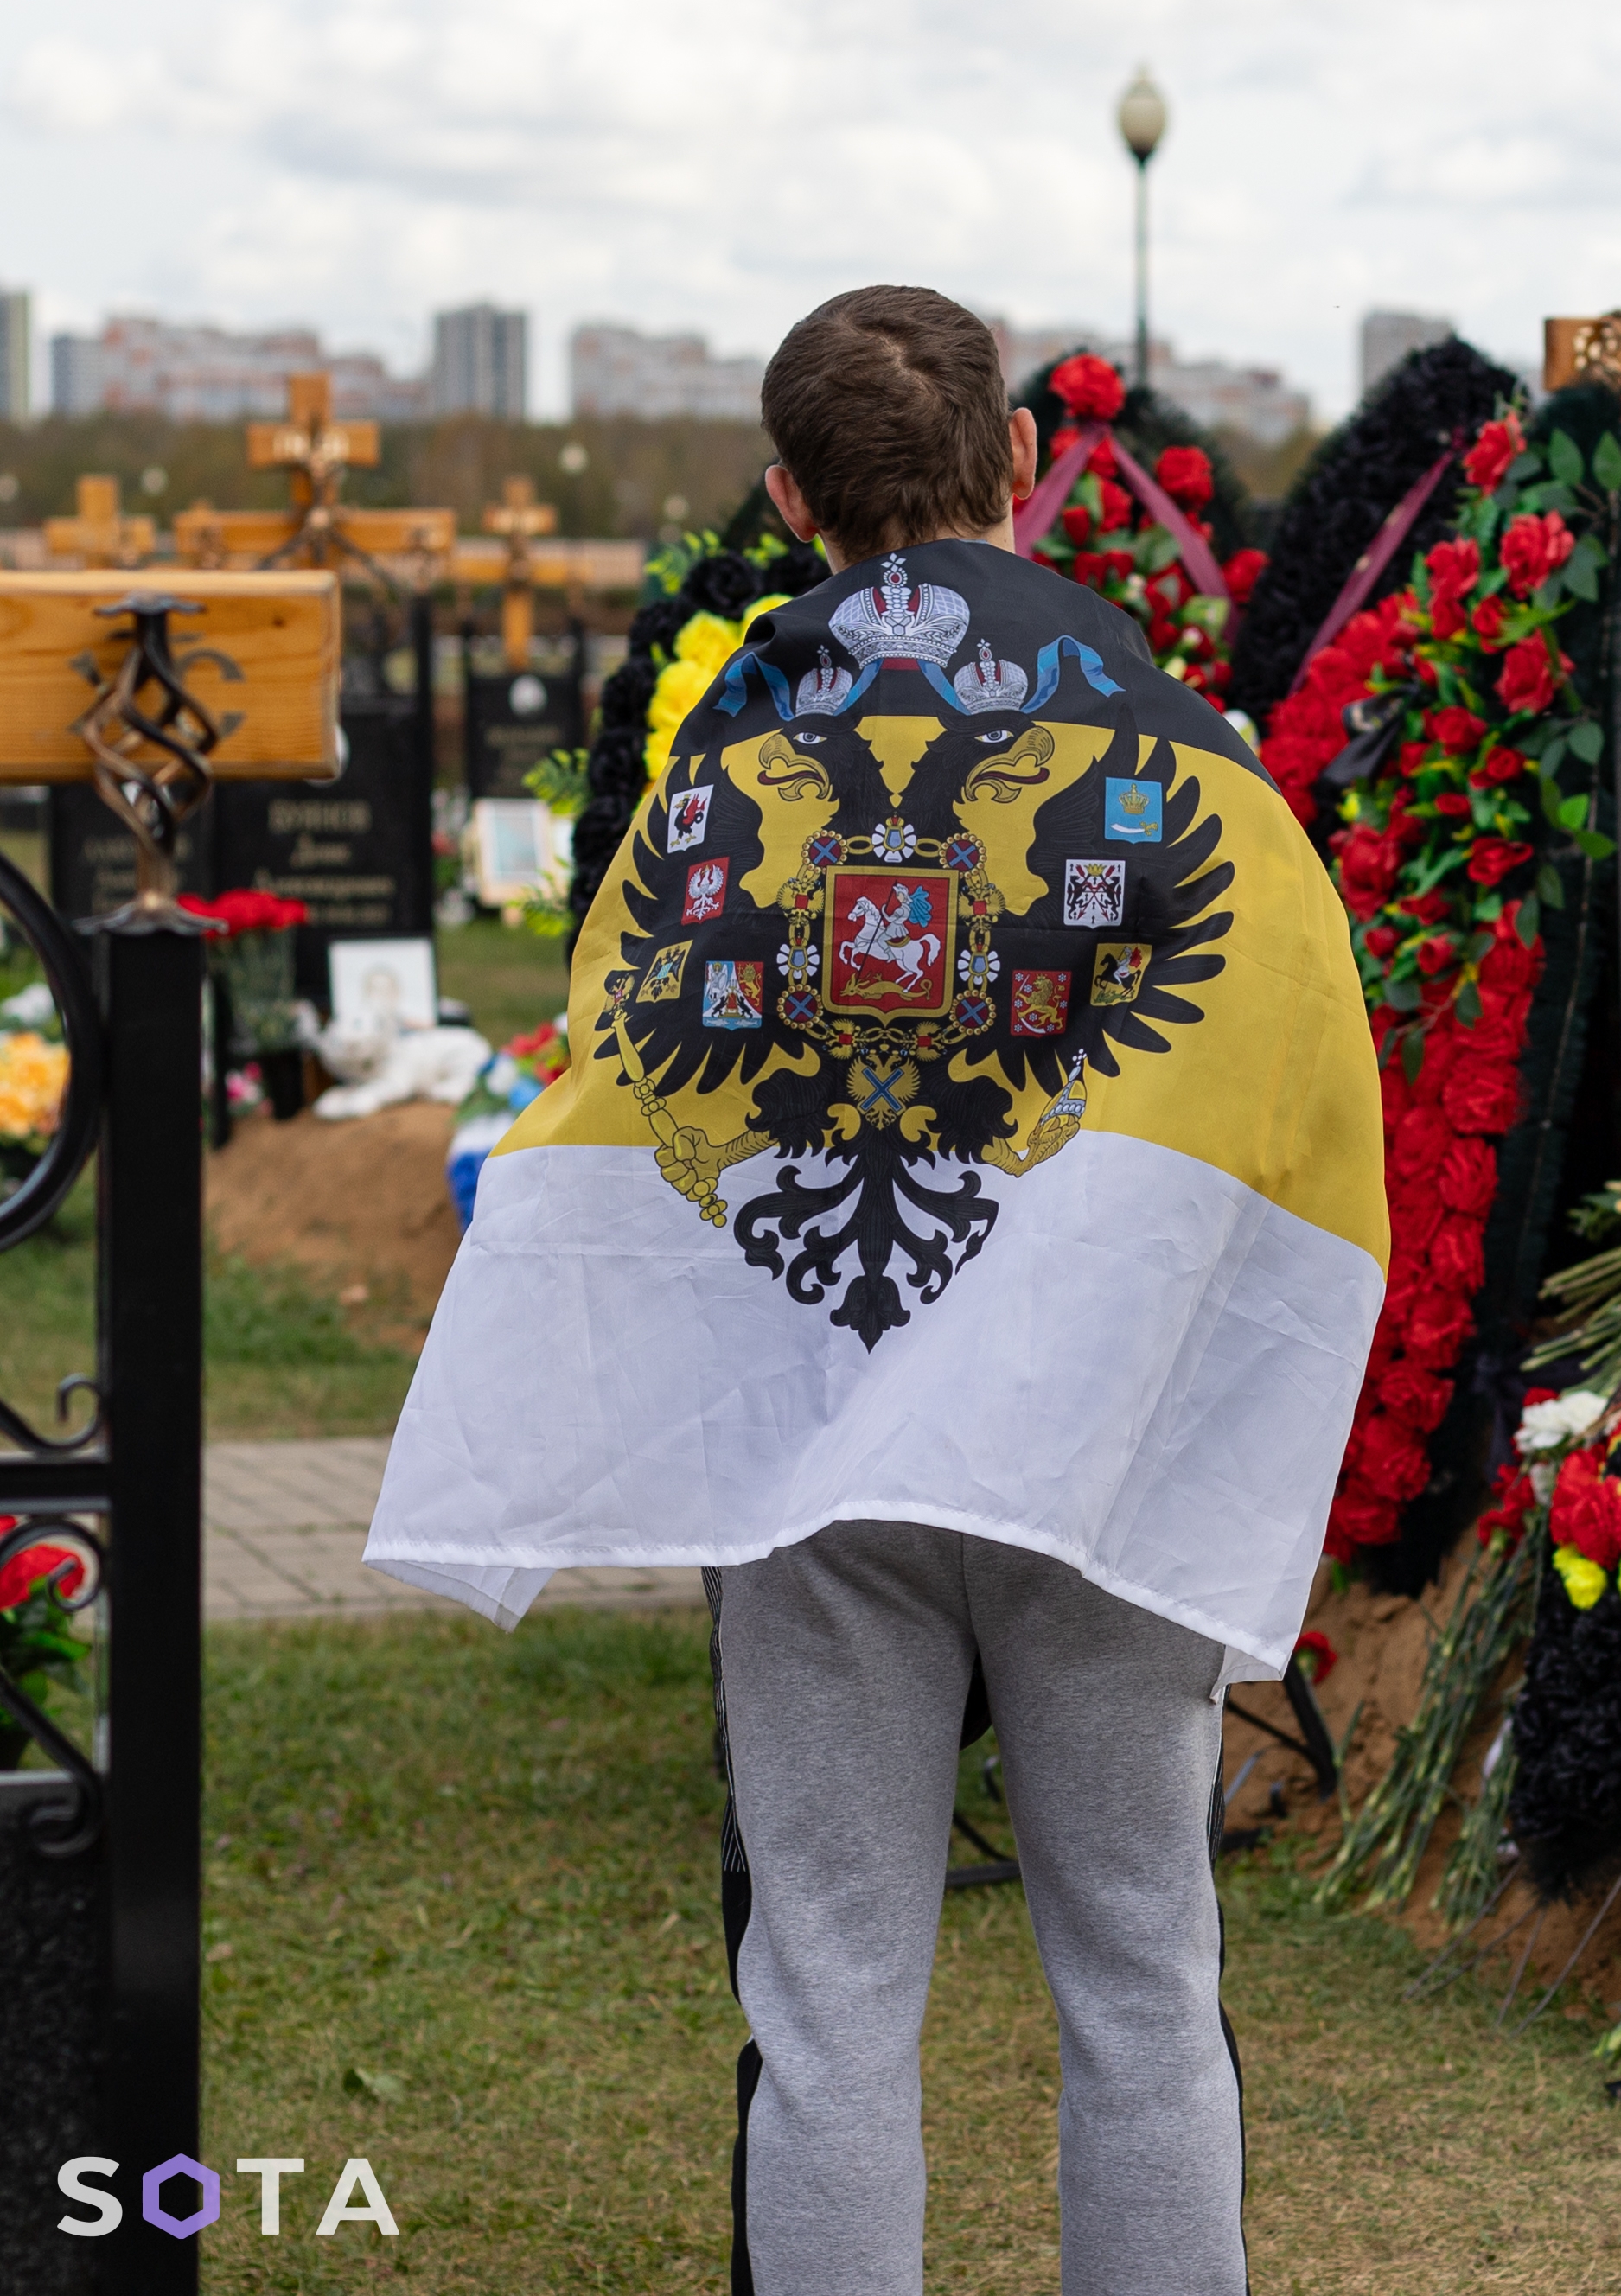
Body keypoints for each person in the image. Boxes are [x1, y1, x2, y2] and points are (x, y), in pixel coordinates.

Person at [363, 285, 1387, 2294]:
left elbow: (621, 1092)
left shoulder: (718, 794)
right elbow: (1298, 1087)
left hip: (824, 1456)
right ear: (1023, 465)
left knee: (829, 1995)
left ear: (784, 500)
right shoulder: (1196, 782)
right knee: (1142, 1974)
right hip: (1093, 1447)